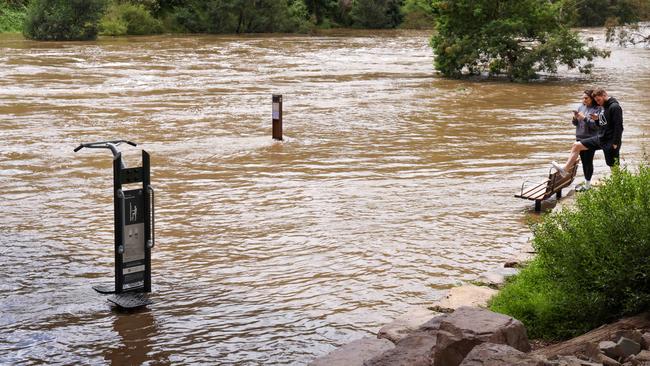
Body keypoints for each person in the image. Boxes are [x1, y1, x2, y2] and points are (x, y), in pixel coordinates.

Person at [551, 87, 624, 180]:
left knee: (612, 165)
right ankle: (565, 169)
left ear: (604, 95)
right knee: (576, 145)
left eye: (599, 100)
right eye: (596, 101)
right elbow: (603, 124)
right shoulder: (603, 107)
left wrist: (615, 143)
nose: (598, 102)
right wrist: (597, 119)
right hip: (601, 138)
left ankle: (619, 186)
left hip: (610, 141)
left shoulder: (614, 107)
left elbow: (619, 126)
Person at [572, 89, 602, 191]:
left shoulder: (597, 109)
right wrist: (575, 119)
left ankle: (588, 185)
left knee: (588, 162)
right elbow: (576, 124)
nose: (583, 100)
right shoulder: (581, 107)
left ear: (591, 99)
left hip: (590, 139)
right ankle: (587, 183)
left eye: (586, 98)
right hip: (579, 137)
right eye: (583, 98)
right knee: (584, 162)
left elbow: (596, 126)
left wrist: (584, 118)